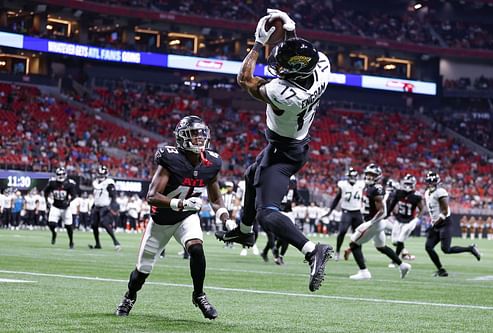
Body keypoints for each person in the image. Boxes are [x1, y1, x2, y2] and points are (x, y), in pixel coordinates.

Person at [214, 9, 333, 292]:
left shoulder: (284, 93)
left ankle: (312, 250)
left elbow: (244, 79)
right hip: (292, 143)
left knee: (267, 214)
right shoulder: (322, 66)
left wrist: (258, 42)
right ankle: (244, 233)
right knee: (251, 173)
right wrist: (291, 30)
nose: (276, 66)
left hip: (284, 151)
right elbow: (299, 53)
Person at [115, 116, 233, 320]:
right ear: (182, 137)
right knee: (143, 269)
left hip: (186, 218)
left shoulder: (211, 162)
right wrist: (180, 203)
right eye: (194, 134)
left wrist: (225, 218)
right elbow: (152, 196)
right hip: (162, 221)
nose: (199, 138)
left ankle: (199, 295)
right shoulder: (171, 158)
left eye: (201, 133)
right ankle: (129, 296)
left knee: (196, 247)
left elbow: (215, 197)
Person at [345, 164, 411, 280]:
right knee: (381, 247)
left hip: (375, 223)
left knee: (353, 243)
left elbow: (383, 211)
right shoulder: (368, 187)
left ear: (377, 176)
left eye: (373, 175)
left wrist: (370, 223)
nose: (369, 177)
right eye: (368, 174)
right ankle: (402, 265)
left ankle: (364, 272)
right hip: (377, 223)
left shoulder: (375, 189)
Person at [423, 171, 481, 277]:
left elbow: (444, 212)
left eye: (433, 182)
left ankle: (470, 249)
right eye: (429, 182)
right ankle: (441, 270)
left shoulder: (440, 192)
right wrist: (432, 222)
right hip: (436, 223)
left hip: (444, 223)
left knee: (446, 249)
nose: (431, 184)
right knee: (428, 247)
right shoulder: (427, 193)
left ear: (437, 182)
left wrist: (434, 224)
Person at [323, 167, 364, 261]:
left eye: (354, 176)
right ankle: (337, 251)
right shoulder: (343, 185)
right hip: (347, 211)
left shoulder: (361, 184)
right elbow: (337, 198)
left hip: (357, 211)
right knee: (342, 231)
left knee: (359, 235)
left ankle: (359, 254)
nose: (352, 178)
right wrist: (330, 211)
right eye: (351, 176)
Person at [386, 174, 423, 266]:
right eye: (406, 183)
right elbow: (392, 204)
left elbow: (422, 209)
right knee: (394, 241)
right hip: (399, 219)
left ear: (413, 184)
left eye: (409, 184)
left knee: (400, 240)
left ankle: (394, 261)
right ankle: (405, 254)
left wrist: (417, 218)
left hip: (410, 221)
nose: (407, 186)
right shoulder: (399, 192)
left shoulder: (416, 196)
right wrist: (386, 214)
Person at [88, 165, 121, 250]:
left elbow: (113, 196)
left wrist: (111, 206)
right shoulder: (96, 182)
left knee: (105, 223)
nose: (100, 176)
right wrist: (93, 205)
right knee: (94, 225)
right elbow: (96, 196)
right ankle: (97, 244)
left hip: (105, 206)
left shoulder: (109, 182)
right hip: (97, 206)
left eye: (102, 174)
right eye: (99, 174)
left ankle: (116, 242)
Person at [43, 167, 78, 248]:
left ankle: (71, 241)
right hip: (55, 206)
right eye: (59, 174)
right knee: (51, 224)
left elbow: (74, 195)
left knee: (69, 226)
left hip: (66, 208)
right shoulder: (52, 183)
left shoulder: (69, 183)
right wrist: (46, 202)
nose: (61, 176)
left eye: (62, 174)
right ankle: (54, 234)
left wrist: (69, 201)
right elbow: (45, 192)